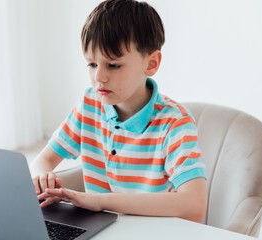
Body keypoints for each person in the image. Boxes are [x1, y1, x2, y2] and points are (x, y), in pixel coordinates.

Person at [30, 0, 207, 222]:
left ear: (151, 63)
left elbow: (194, 205)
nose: (99, 78)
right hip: (101, 228)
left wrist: (101, 201)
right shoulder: (90, 106)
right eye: (92, 64)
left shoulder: (175, 123)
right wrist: (42, 178)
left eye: (113, 65)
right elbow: (42, 160)